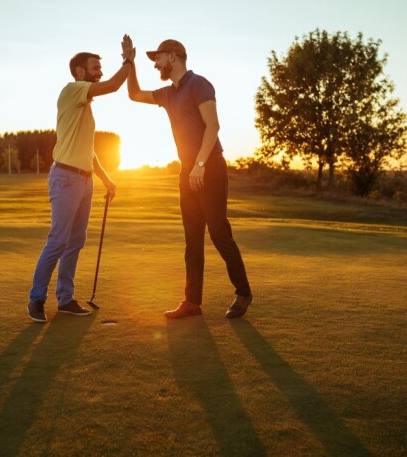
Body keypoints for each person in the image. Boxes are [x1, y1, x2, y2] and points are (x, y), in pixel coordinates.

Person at [126, 38, 253, 319]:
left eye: (157, 58)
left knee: (219, 233)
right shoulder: (168, 94)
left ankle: (243, 293)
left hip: (210, 167)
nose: (155, 64)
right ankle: (192, 302)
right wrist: (129, 62)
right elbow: (134, 94)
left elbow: (213, 126)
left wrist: (200, 164)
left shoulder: (200, 84)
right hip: (187, 171)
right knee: (192, 239)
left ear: (173, 56)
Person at [28, 35, 135, 323]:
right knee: (58, 240)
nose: (100, 71)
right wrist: (128, 60)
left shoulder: (84, 105)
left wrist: (105, 179)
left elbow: (87, 151)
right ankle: (36, 299)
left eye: (101, 67)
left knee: (75, 241)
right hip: (65, 178)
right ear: (80, 71)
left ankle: (65, 300)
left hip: (84, 180)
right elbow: (112, 86)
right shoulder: (73, 90)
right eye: (95, 67)